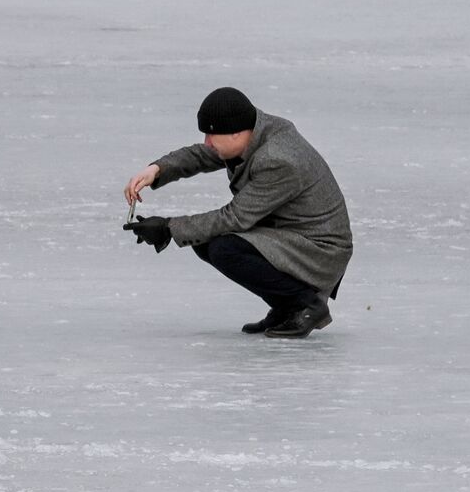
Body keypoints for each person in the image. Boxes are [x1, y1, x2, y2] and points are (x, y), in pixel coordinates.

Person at [122, 87, 352, 338]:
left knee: (225, 248)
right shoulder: (253, 132)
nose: (207, 142)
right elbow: (202, 154)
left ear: (235, 133)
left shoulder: (277, 159)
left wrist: (168, 228)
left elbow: (235, 217)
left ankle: (305, 306)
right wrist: (156, 170)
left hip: (319, 249)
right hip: (290, 234)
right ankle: (286, 307)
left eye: (212, 135)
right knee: (207, 240)